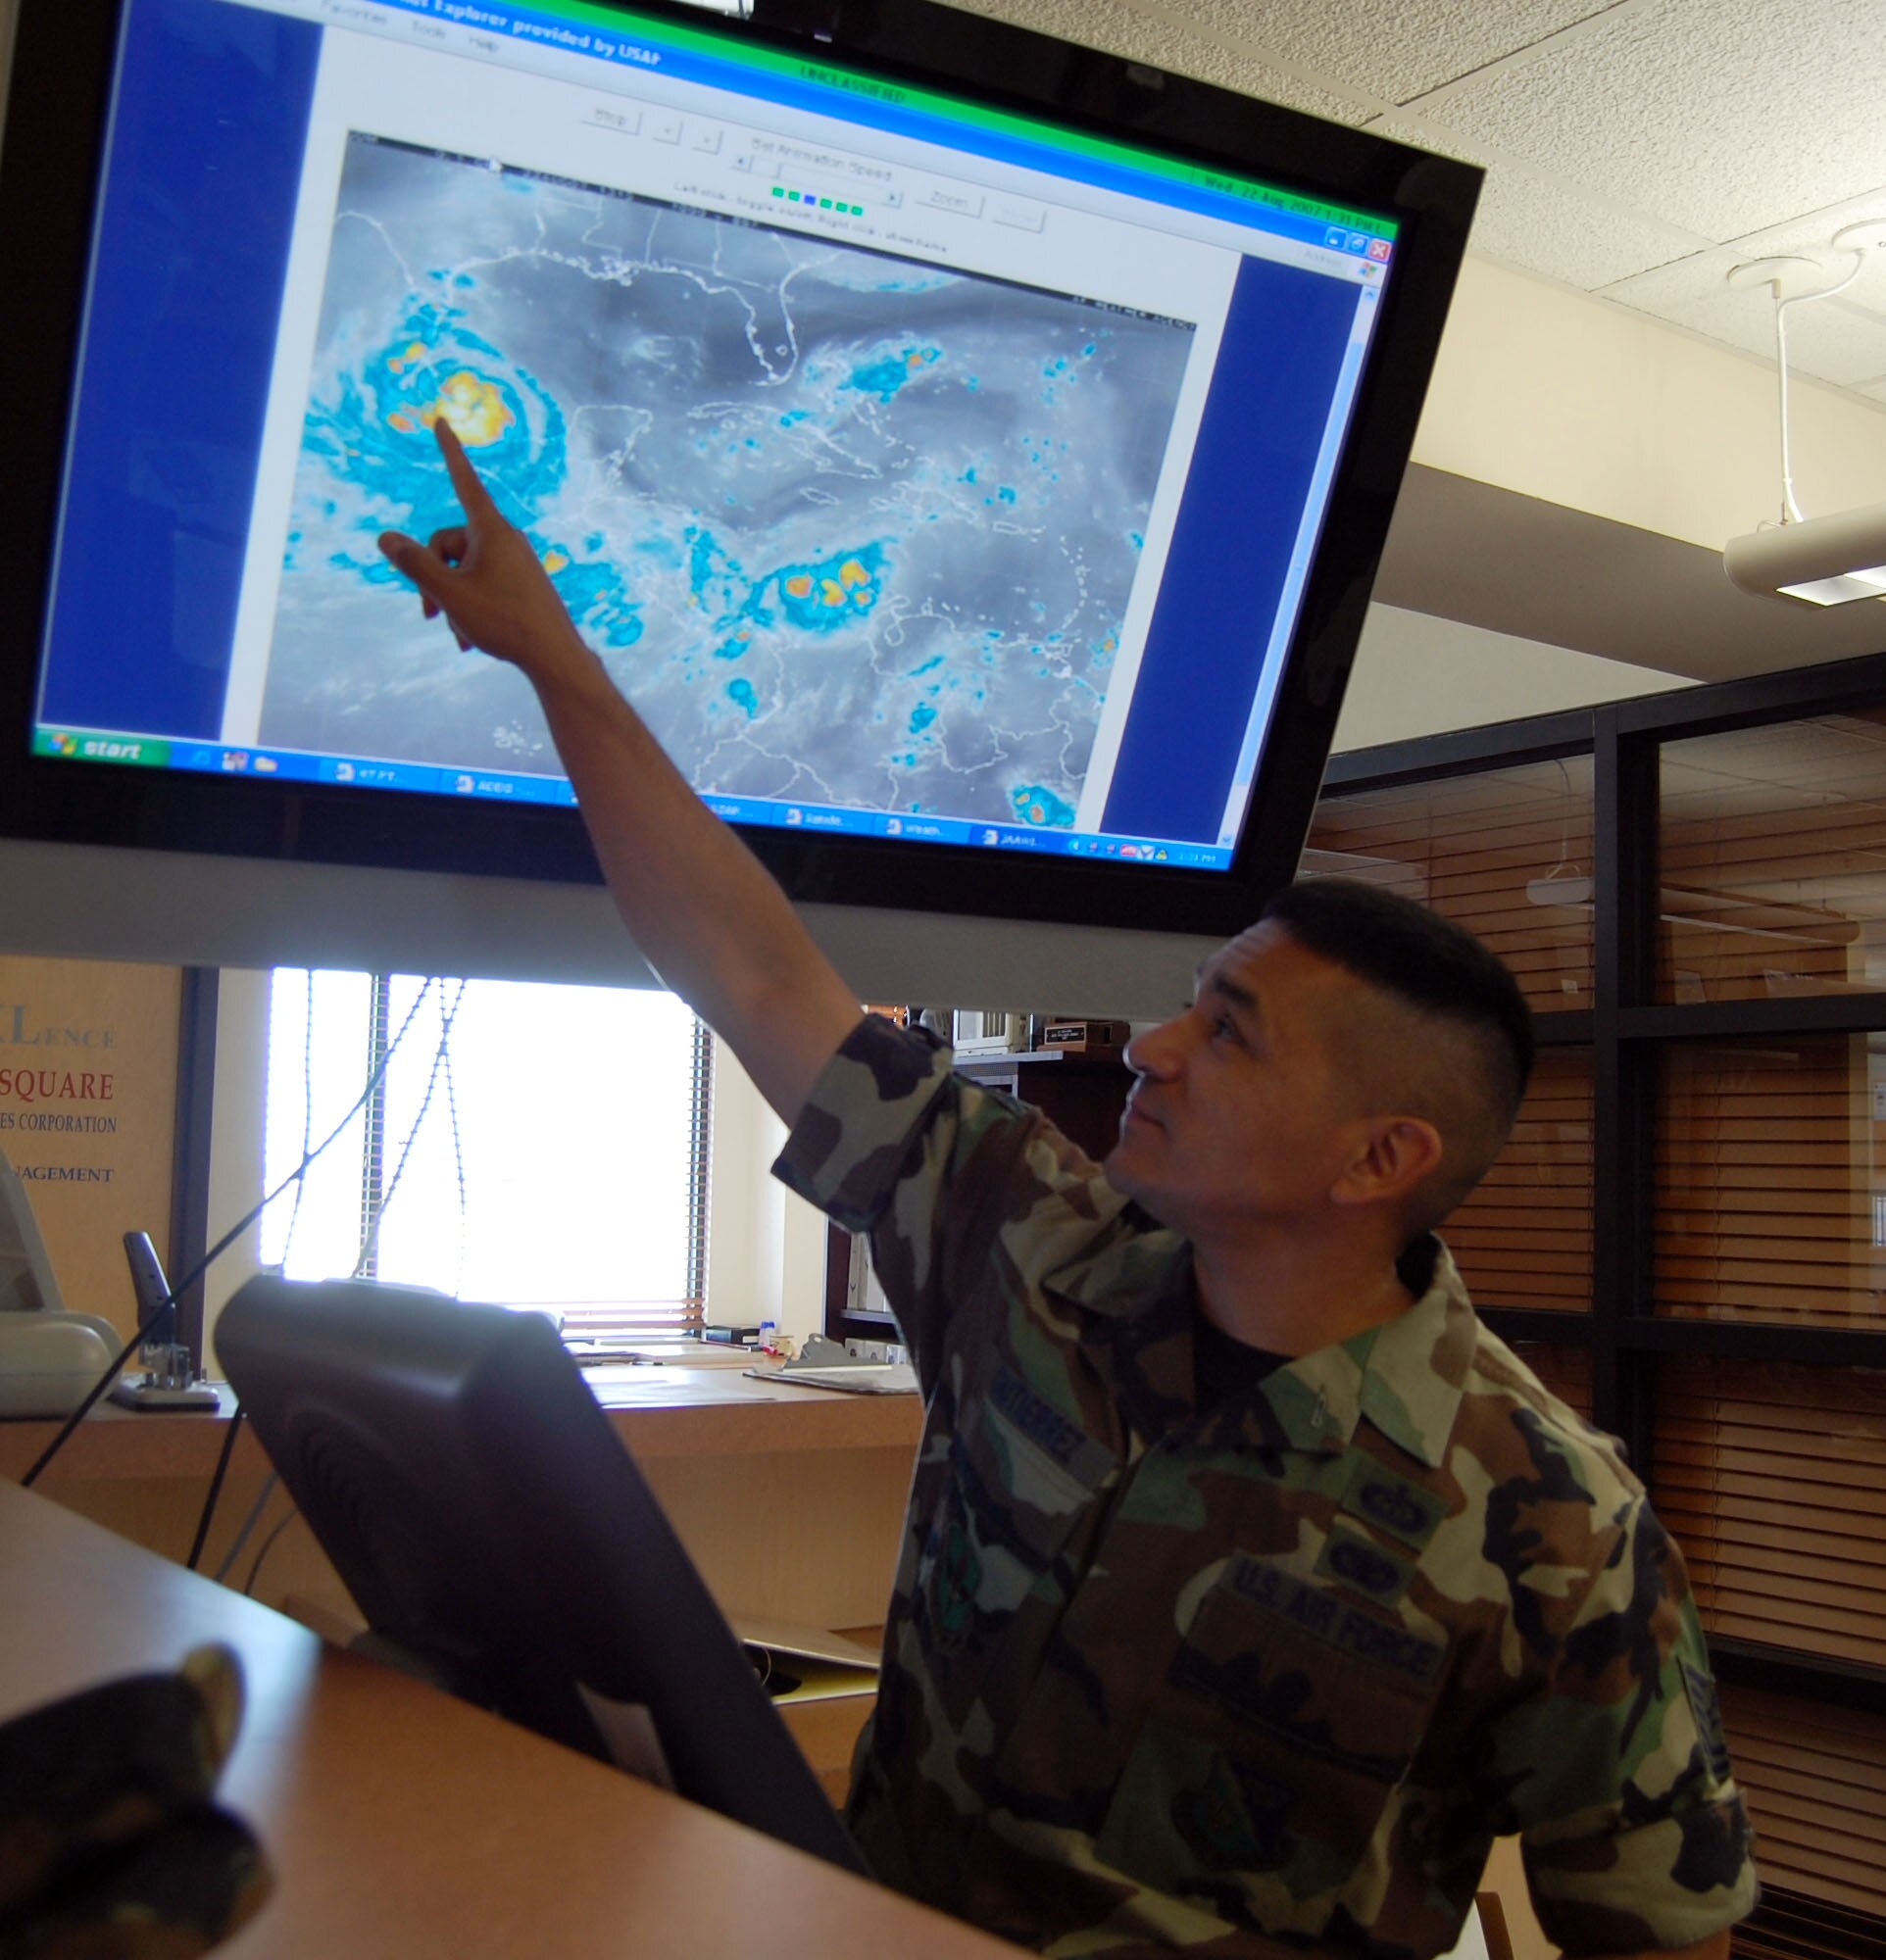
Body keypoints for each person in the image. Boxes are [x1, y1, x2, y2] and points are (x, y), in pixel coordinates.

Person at [379, 421, 1756, 1960]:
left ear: (1380, 1160)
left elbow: (1662, 1934)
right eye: (1192, 999)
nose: (1156, 1049)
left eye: (1227, 1034)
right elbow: (749, 965)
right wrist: (555, 660)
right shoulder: (1021, 1237)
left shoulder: (1551, 1519)